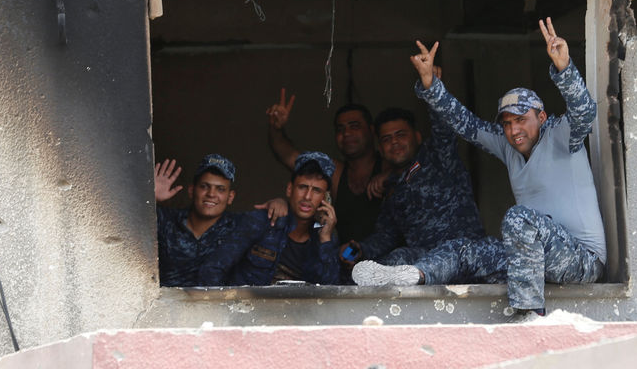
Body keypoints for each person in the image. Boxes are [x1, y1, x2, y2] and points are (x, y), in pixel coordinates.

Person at [353, 18, 606, 316]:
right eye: (508, 123)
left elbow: (585, 112)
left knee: (518, 218)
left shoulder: (562, 134)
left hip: (581, 260)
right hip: (531, 259)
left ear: (541, 117)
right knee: (465, 249)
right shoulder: (508, 144)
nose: (514, 131)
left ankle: (529, 315)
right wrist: (430, 85)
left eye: (521, 119)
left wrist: (564, 68)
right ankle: (414, 275)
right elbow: (465, 123)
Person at [345, 95, 486, 268]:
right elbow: (386, 235)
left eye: (400, 135)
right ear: (380, 149)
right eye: (386, 139)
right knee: (392, 260)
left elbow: (443, 130)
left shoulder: (439, 158)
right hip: (425, 262)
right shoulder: (393, 187)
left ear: (418, 137)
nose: (394, 142)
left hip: (465, 254)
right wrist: (354, 250)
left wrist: (432, 88)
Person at [198, 152, 340, 286]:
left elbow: (331, 294)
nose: (307, 197)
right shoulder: (262, 221)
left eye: (316, 190)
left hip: (297, 312)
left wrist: (326, 239)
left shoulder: (325, 240)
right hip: (247, 309)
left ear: (325, 198)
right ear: (289, 189)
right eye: (302, 187)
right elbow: (213, 269)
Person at [266, 89, 384, 243]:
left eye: (354, 126)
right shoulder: (336, 172)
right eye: (340, 129)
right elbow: (288, 156)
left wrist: (391, 175)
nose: (346, 133)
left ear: (371, 130)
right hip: (349, 259)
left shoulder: (389, 167)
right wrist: (276, 129)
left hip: (395, 262)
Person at [154, 154, 288, 287]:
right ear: (191, 191)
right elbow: (134, 238)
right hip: (168, 305)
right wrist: (150, 198)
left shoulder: (239, 227)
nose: (211, 194)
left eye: (220, 189)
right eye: (204, 186)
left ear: (230, 197)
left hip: (217, 306)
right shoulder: (165, 219)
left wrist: (280, 203)